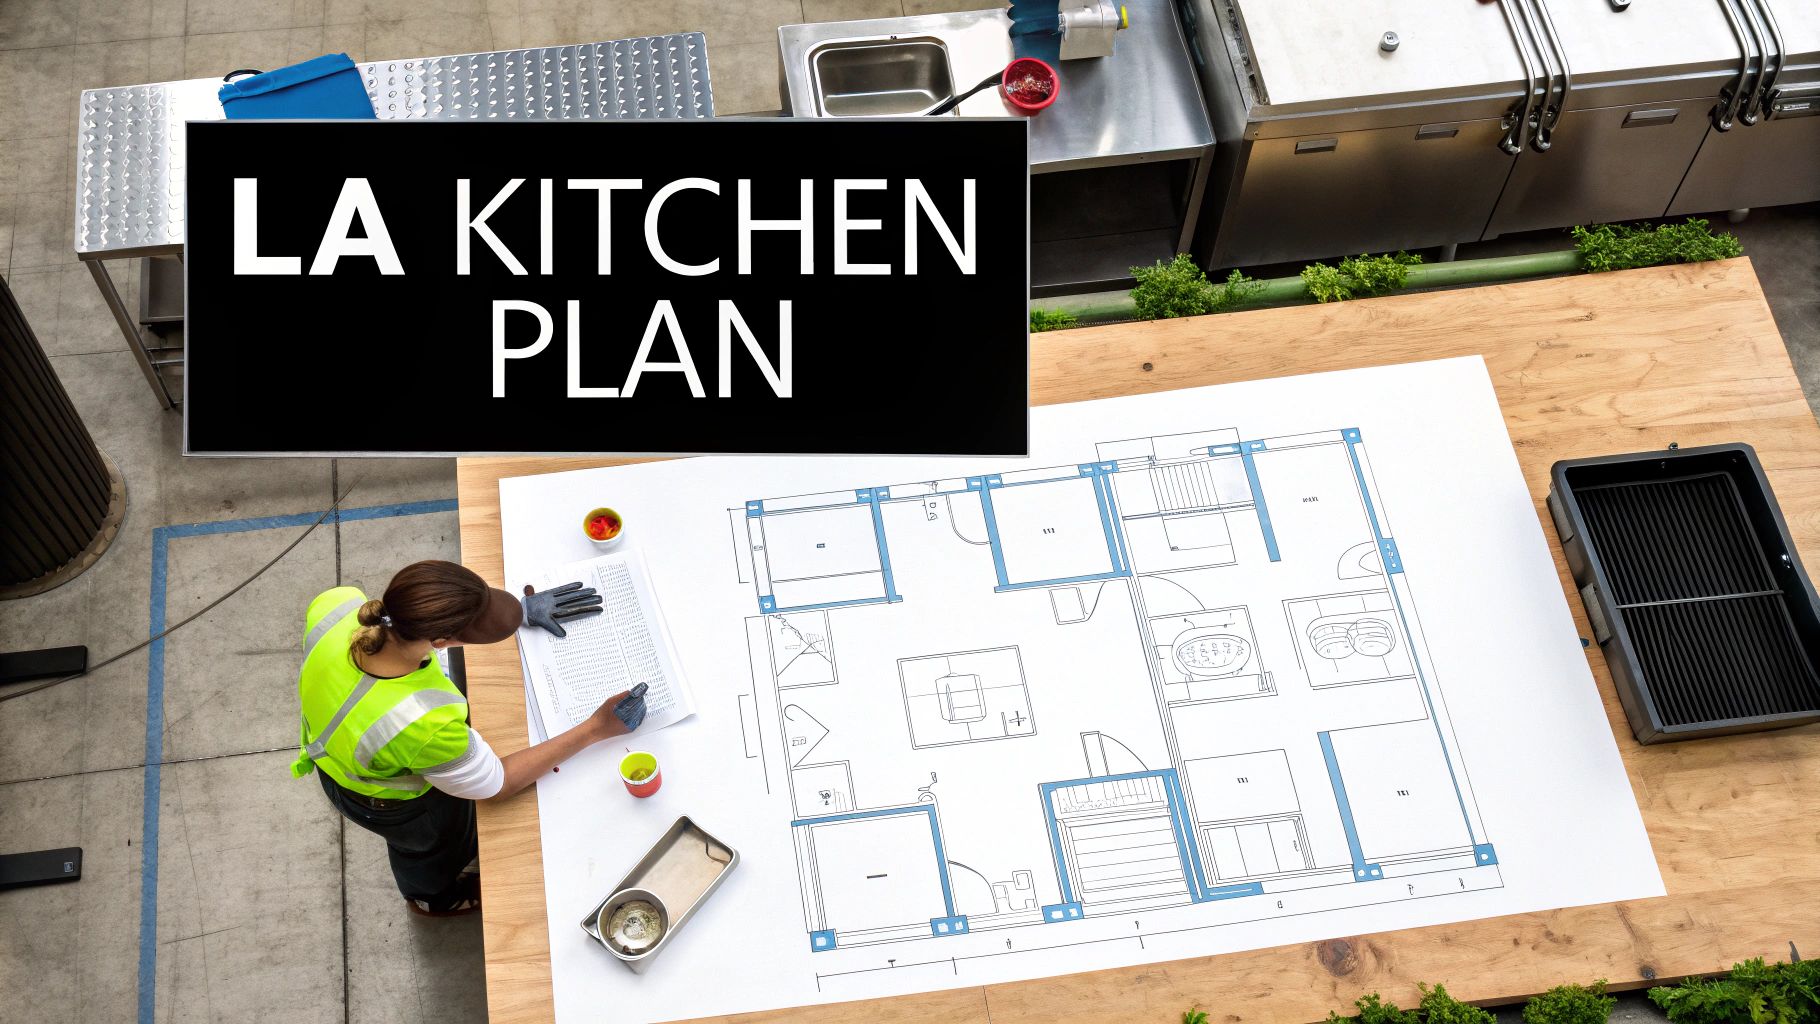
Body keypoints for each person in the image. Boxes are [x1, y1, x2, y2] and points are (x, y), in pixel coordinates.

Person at [293, 560, 644, 916]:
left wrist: (520, 612)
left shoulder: (339, 604)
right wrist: (596, 728)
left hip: (335, 752)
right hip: (387, 803)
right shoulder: (423, 724)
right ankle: (432, 900)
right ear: (441, 641)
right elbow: (497, 782)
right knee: (430, 850)